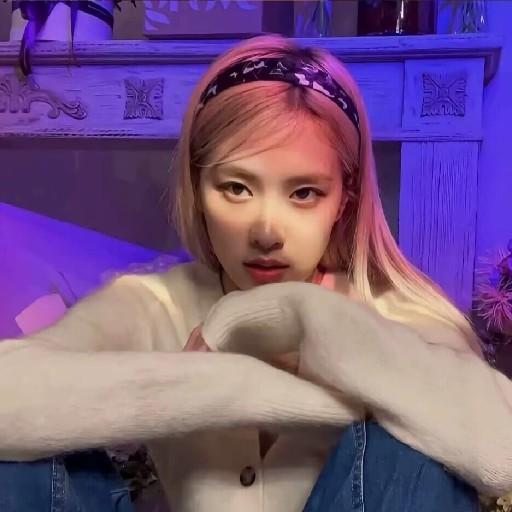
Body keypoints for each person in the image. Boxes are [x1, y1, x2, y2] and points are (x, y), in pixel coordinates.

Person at [0, 34, 510, 512]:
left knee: (421, 433)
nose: (267, 232)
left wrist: (302, 323)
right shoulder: (155, 303)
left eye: (304, 193)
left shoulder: (395, 313)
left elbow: (498, 449)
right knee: (24, 454)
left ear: (344, 200)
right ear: (198, 189)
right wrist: (201, 385)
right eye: (236, 188)